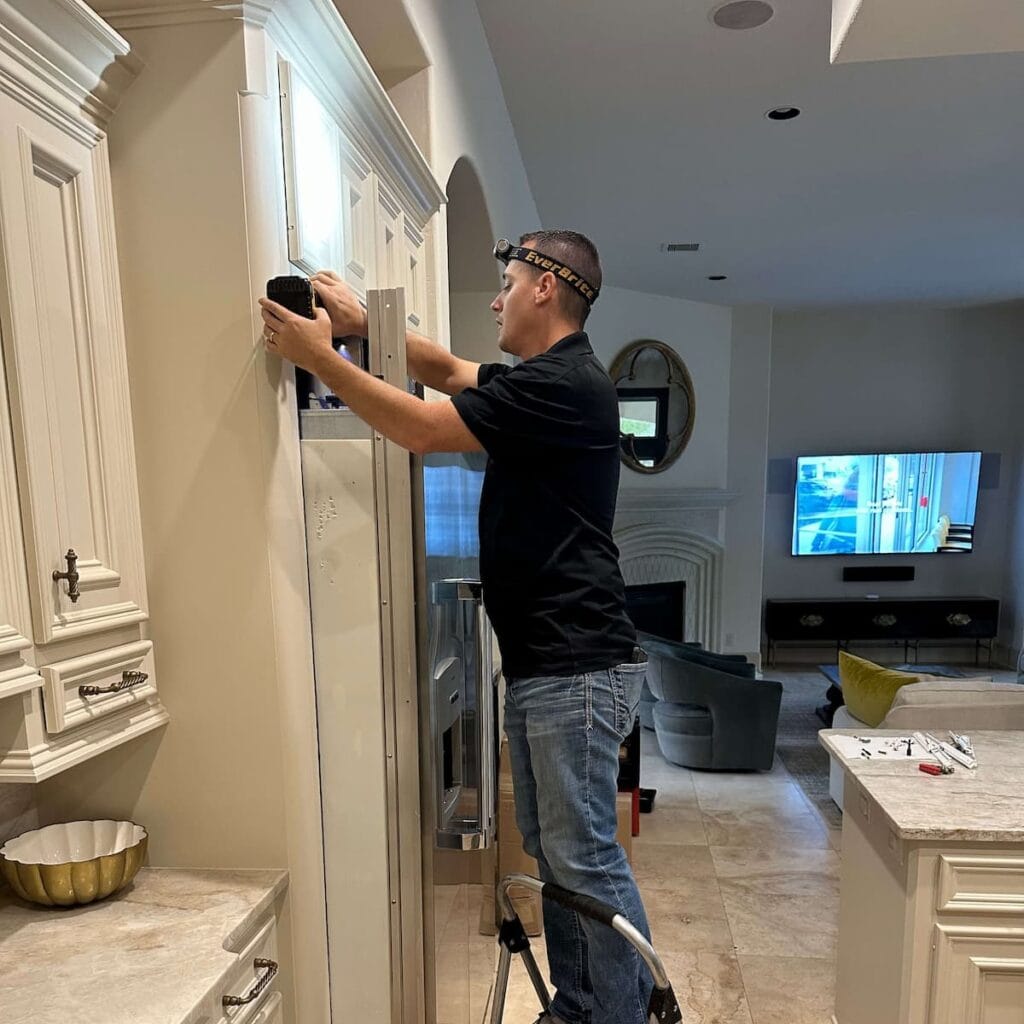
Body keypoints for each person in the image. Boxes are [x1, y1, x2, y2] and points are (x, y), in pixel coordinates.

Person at [259, 230, 653, 1024]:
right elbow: (443, 370)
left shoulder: (566, 384)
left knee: (581, 857)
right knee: (559, 854)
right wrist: (362, 323)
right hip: (552, 663)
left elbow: (421, 427)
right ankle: (585, 1006)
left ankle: (618, 1011)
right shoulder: (546, 381)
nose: (498, 302)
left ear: (546, 286)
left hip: (575, 665)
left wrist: (320, 358)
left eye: (507, 283)